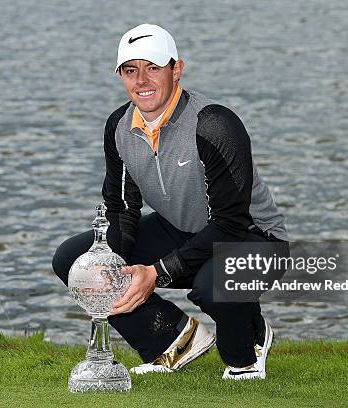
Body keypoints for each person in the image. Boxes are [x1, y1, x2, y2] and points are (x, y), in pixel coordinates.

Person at [52, 23, 289, 380]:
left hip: (253, 238)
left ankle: (249, 346)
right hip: (180, 229)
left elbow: (230, 223)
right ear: (120, 76)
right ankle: (172, 340)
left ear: (176, 70)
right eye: (131, 70)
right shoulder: (119, 125)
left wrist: (156, 273)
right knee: (77, 261)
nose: (142, 80)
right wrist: (110, 268)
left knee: (214, 286)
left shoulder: (214, 124)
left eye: (153, 67)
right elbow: (122, 208)